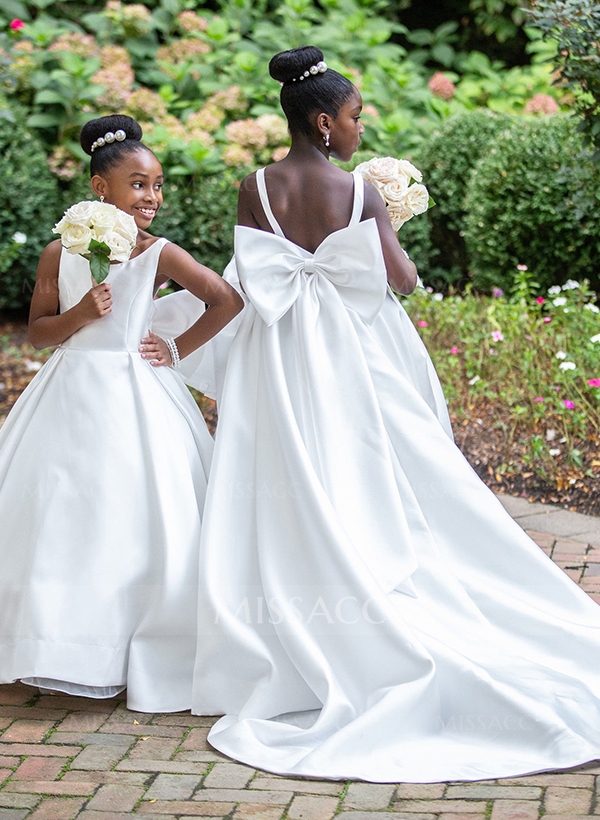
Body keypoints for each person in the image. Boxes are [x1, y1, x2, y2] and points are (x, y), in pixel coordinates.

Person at [190, 46, 600, 781]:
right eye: (353, 117)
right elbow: (401, 281)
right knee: (373, 454)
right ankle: (373, 554)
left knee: (287, 464)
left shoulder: (254, 185)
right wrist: (385, 228)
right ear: (323, 122)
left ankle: (291, 599)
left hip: (279, 353)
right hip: (350, 350)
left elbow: (254, 267)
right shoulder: (357, 190)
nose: (358, 128)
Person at [0, 114, 243, 712]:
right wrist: (81, 313)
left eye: (158, 185)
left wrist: (179, 347)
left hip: (137, 394)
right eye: (138, 184)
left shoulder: (158, 253)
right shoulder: (60, 251)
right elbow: (37, 334)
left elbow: (225, 298)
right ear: (100, 189)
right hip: (68, 393)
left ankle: (142, 641)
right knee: (59, 514)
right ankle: (45, 643)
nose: (152, 197)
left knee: (136, 514)